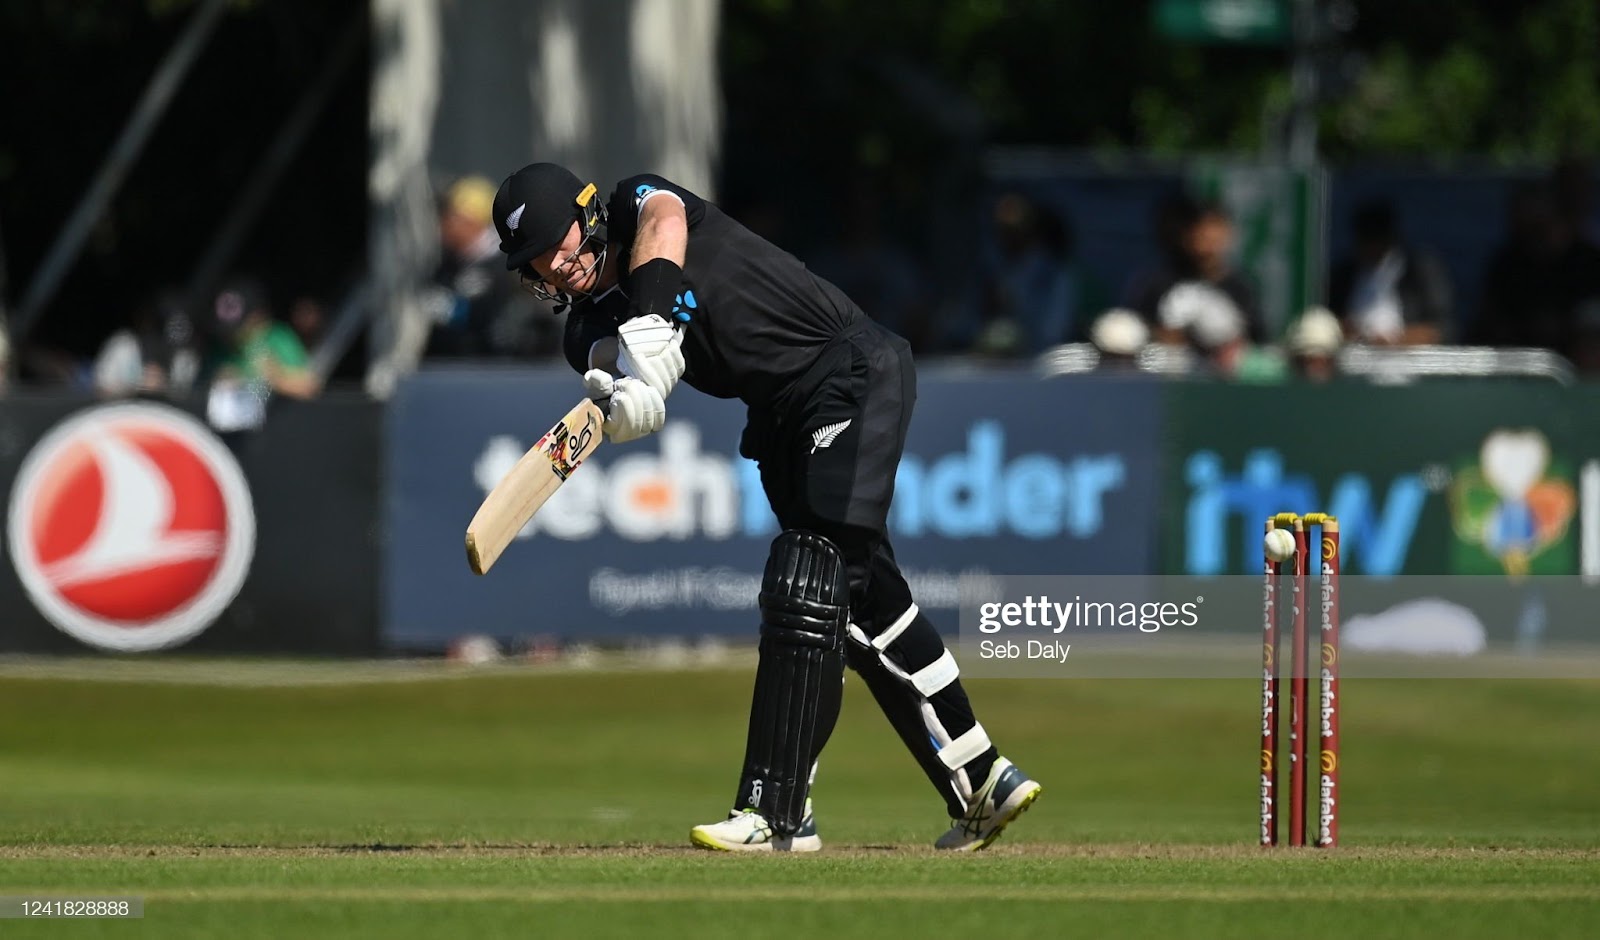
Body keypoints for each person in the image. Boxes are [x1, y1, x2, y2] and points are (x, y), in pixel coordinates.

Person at [492, 162, 1041, 853]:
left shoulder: (637, 205)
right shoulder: (582, 333)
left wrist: (655, 318)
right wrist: (625, 397)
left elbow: (664, 225)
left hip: (845, 371)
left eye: (557, 239)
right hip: (779, 418)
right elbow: (612, 364)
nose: (554, 263)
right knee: (856, 602)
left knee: (807, 582)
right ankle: (981, 777)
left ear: (587, 214)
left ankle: (775, 813)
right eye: (535, 258)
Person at [1127, 195, 1265, 347]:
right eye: (1200, 231)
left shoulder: (1240, 287)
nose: (1208, 240)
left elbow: (1258, 340)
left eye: (1216, 230)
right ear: (1185, 235)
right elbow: (1135, 333)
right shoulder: (1158, 284)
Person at [1327, 199, 1450, 345]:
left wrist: (1395, 341)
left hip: (1409, 360)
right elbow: (1328, 323)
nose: (1370, 247)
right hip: (1354, 358)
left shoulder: (1420, 270)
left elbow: (1441, 327)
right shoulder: (1344, 274)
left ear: (1390, 237)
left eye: (1375, 238)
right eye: (1365, 239)